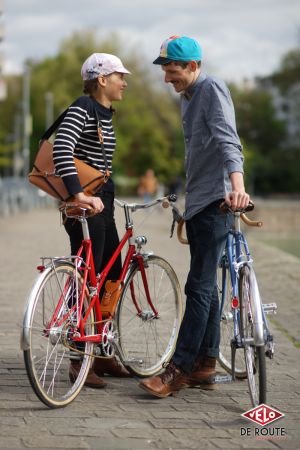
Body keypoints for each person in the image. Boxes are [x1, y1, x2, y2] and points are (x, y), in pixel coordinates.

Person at [139, 35, 250, 397]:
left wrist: (237, 185)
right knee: (209, 288)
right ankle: (205, 363)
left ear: (192, 66)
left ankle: (179, 368)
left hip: (219, 200)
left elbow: (227, 140)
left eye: (173, 72)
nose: (167, 79)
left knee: (199, 286)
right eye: (165, 72)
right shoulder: (188, 98)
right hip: (200, 202)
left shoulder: (211, 88)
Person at [53, 53, 132, 388]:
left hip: (103, 203)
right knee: (89, 275)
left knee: (111, 272)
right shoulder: (82, 108)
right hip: (86, 205)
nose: (124, 82)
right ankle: (77, 356)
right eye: (119, 76)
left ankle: (100, 351)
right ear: (102, 79)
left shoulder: (104, 113)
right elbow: (61, 148)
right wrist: (77, 194)